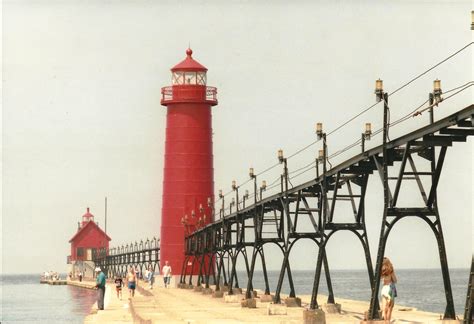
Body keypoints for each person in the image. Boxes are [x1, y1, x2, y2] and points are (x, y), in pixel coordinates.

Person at [381, 257, 397, 323]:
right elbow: (395, 280)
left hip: (384, 289)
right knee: (390, 308)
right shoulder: (390, 270)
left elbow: (382, 281)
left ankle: (385, 322)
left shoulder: (381, 271)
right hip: (390, 289)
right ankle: (388, 322)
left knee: (384, 309)